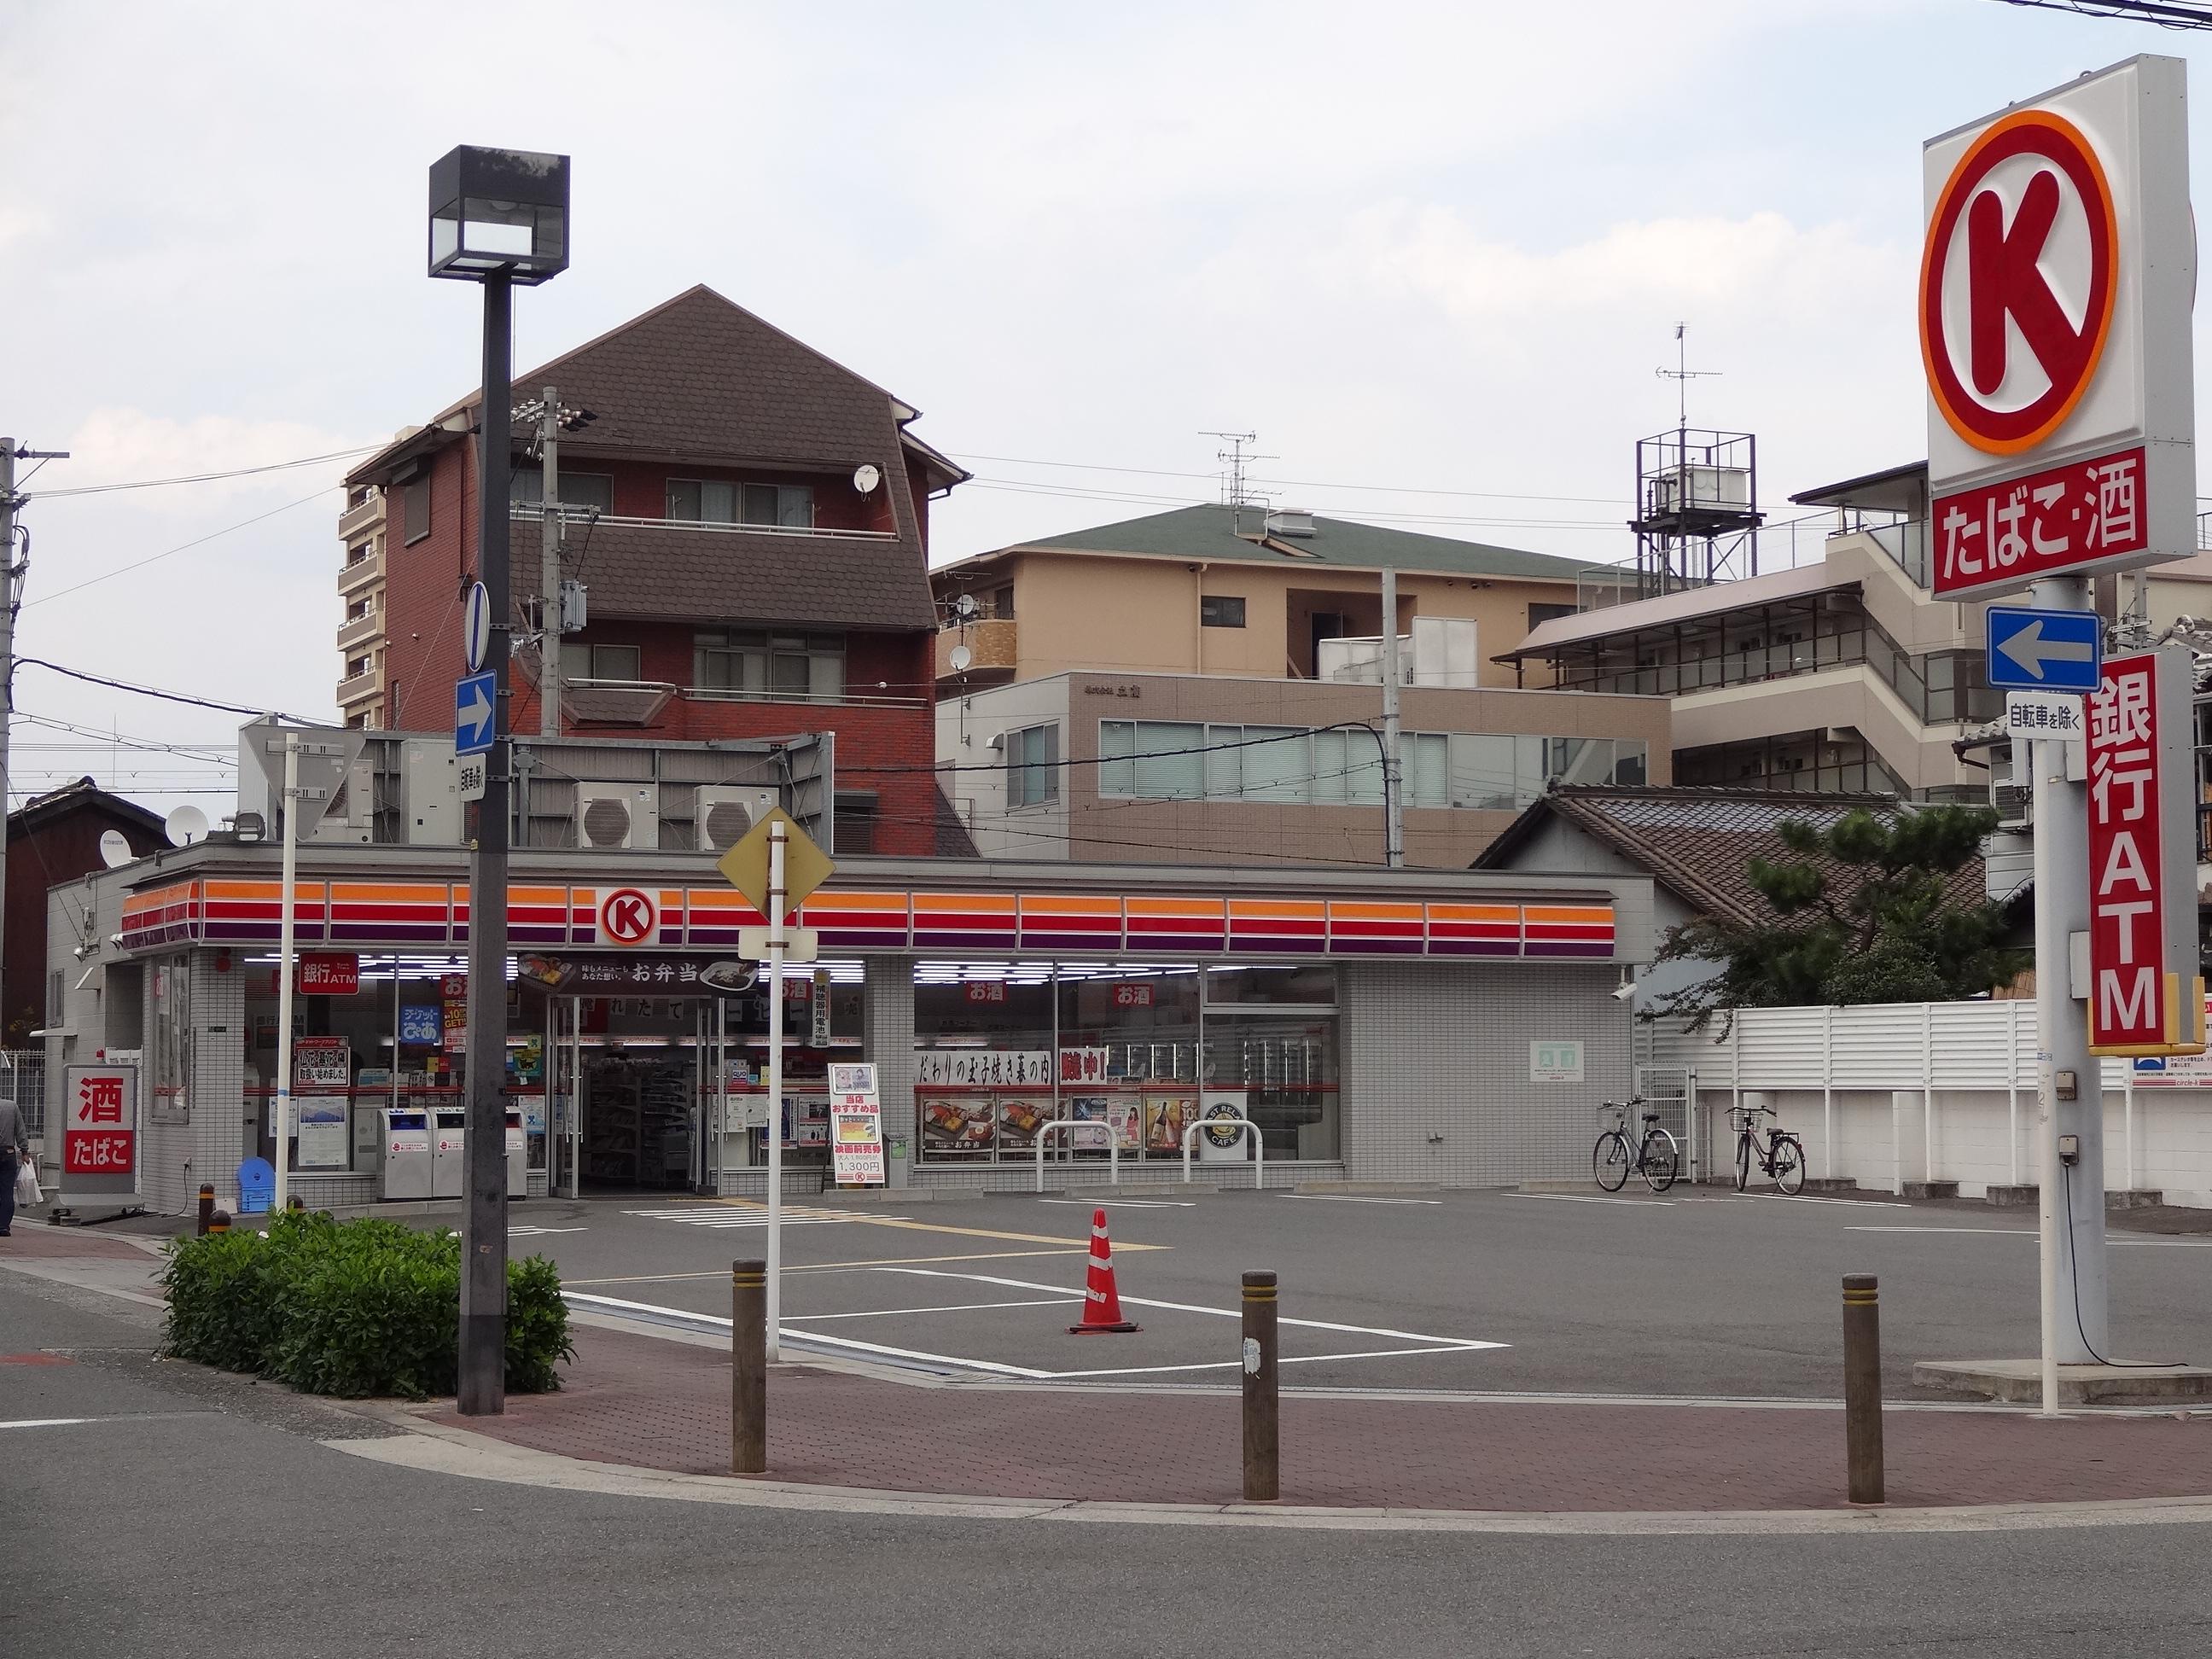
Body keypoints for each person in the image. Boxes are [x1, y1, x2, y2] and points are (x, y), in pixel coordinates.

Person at [0, 1094, 26, 1237]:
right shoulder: (12, 1106)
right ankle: (3, 1226)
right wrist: (24, 1151)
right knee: (7, 1192)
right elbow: (20, 1130)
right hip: (8, 1153)